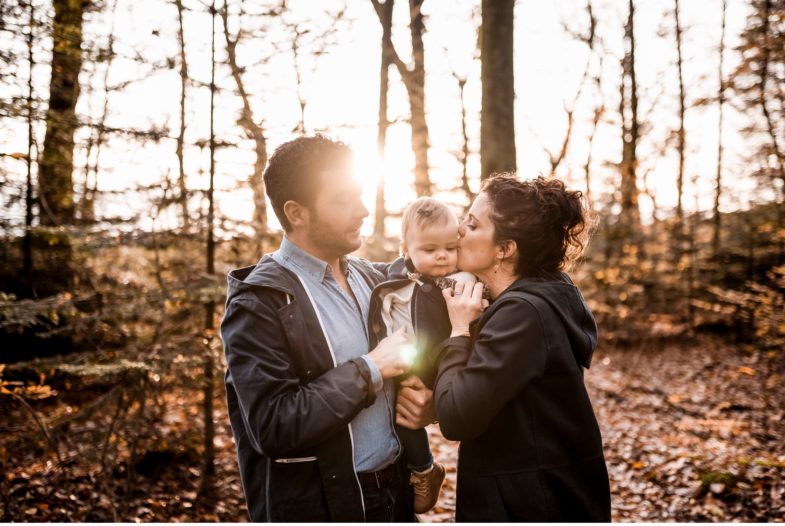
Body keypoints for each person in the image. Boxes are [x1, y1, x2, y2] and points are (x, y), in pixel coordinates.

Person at [220, 135, 435, 522]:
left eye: (360, 195)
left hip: (396, 499)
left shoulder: (374, 280)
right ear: (296, 212)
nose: (363, 210)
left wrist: (426, 406)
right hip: (324, 508)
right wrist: (369, 369)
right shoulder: (259, 302)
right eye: (343, 200)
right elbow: (273, 425)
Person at [428, 173, 612, 522]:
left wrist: (458, 330)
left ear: (504, 249)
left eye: (472, 225)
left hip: (531, 504)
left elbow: (455, 417)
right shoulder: (544, 295)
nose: (458, 232)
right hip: (546, 495)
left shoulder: (522, 314)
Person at [367, 197, 477, 513]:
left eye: (449, 247)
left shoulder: (463, 280)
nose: (442, 256)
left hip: (446, 361)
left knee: (434, 409)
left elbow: (478, 311)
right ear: (406, 248)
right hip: (409, 359)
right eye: (429, 250)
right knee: (403, 415)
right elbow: (382, 311)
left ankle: (422, 467)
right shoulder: (397, 280)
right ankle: (424, 468)